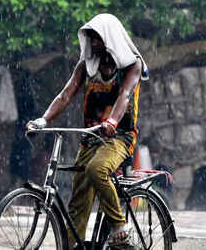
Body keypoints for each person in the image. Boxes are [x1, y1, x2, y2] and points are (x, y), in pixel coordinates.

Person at [28, 14, 149, 248]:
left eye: (98, 39)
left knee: (97, 169)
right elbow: (65, 94)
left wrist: (113, 121)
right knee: (78, 198)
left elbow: (124, 95)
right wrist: (43, 120)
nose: (93, 44)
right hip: (91, 138)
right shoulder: (86, 65)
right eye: (91, 39)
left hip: (119, 137)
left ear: (112, 38)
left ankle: (119, 227)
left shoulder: (133, 64)